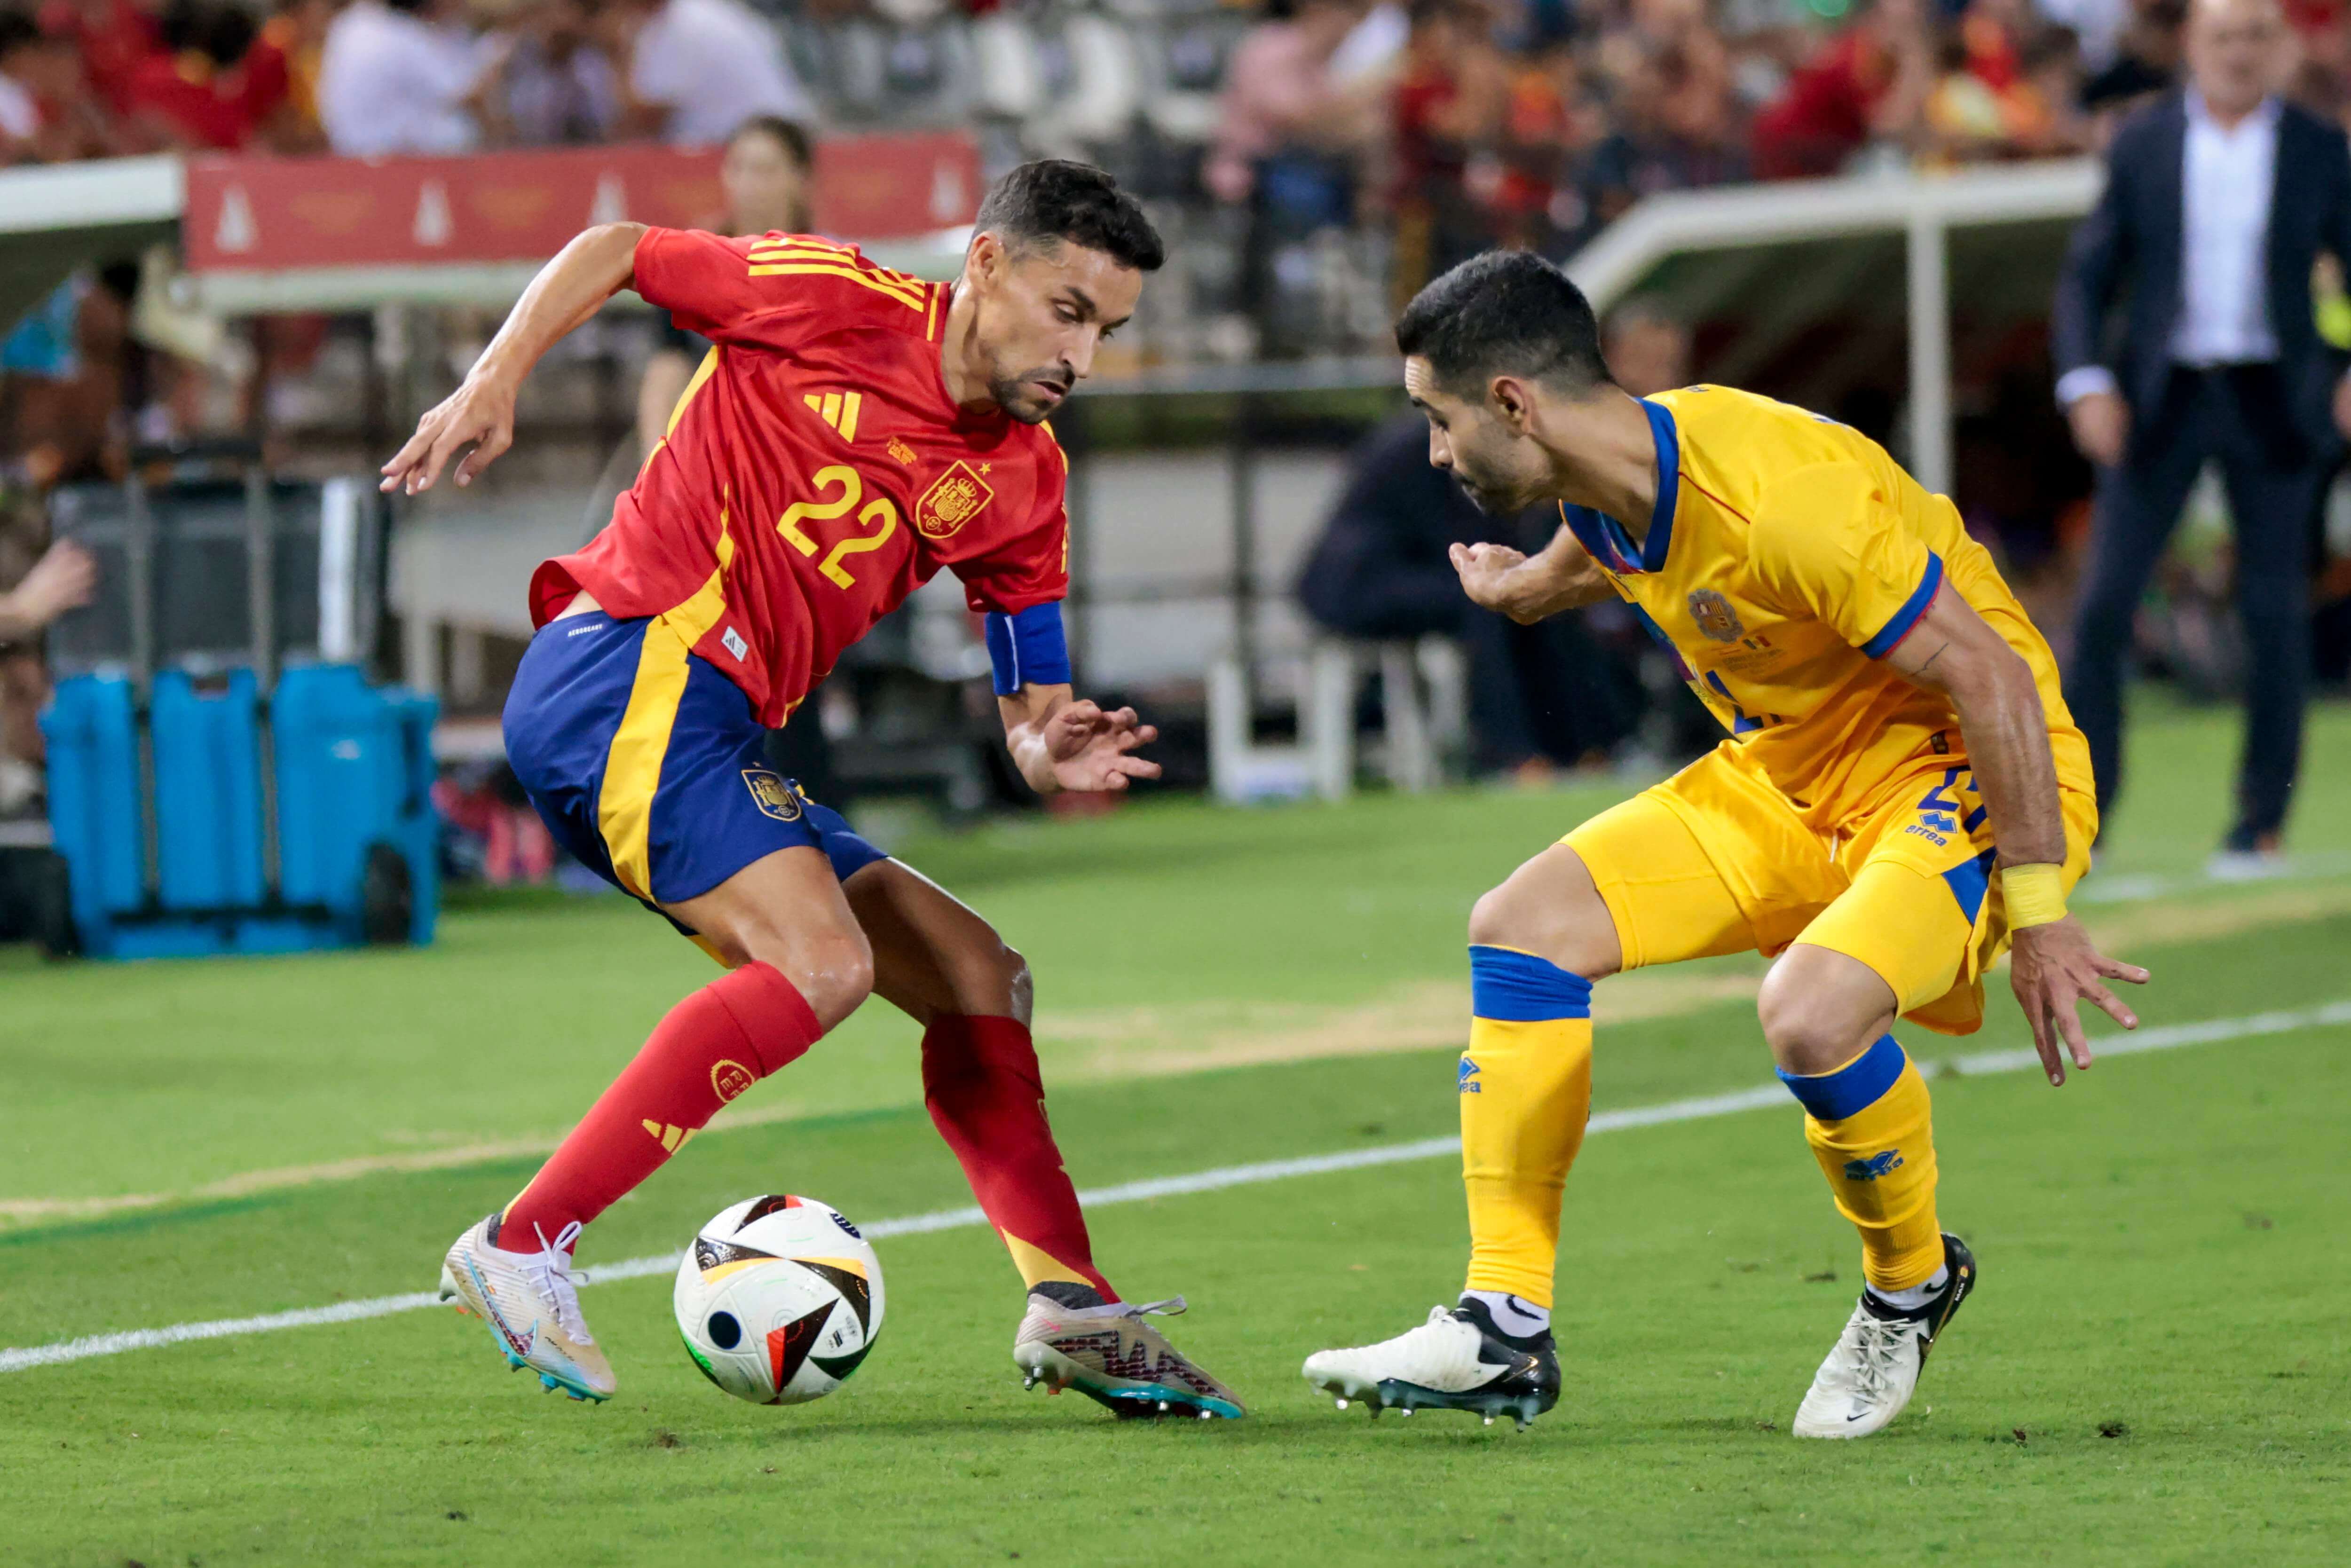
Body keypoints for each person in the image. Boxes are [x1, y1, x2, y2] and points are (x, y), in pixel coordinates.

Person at [380, 160, 1244, 1420]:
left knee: (977, 973)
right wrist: (496, 373)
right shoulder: (829, 295)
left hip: (716, 726)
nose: (1087, 357)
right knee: (825, 962)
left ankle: (1071, 1302)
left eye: (1107, 329)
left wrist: (1051, 751)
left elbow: (1027, 710)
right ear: (987, 264)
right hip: (630, 664)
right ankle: (524, 1239)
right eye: (1069, 310)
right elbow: (617, 246)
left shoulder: (1027, 480)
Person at [1301, 252, 2146, 1437]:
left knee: (1809, 1014)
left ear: (1511, 405)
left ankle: (1909, 1284)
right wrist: (1529, 593)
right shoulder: (1613, 467)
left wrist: (2042, 914)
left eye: (1437, 420)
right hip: (1791, 772)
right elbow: (1623, 542)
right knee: (1521, 930)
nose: (1435, 454)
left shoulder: (1781, 496)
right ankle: (1502, 1326)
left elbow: (1990, 675)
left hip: (1952, 772)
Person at [2052, 0, 2351, 875]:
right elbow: (2088, 278)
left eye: (2257, 35)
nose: (2240, 53)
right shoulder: (2143, 142)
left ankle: (2259, 824)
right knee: (2104, 608)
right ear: (2192, 44)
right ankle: (2086, 823)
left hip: (2273, 396)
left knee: (2273, 615)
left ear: (2278, 45)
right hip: (2165, 397)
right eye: (2225, 36)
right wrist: (2086, 384)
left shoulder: (2315, 144)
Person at [633, 115, 814, 464]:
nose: (749, 184)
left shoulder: (831, 262)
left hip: (801, 423)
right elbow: (668, 360)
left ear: (800, 179)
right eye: (740, 168)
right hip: (716, 428)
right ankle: (660, 481)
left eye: (764, 170)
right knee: (664, 372)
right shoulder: (691, 261)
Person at [603, 0, 812, 147]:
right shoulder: (689, 13)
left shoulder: (686, 25)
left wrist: (617, 54)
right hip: (756, 139)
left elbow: (643, 123)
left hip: (766, 145)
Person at [316, 0, 497, 156]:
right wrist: (501, 46)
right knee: (461, 132)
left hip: (348, 151)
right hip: (392, 158)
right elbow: (470, 94)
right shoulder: (402, 34)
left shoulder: (350, 22)